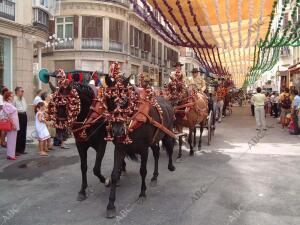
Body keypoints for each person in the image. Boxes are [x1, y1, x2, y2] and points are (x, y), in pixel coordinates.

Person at [3, 91, 19, 160]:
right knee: (11, 139)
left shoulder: (9, 104)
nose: (12, 97)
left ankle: (11, 154)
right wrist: (13, 124)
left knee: (11, 139)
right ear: (8, 97)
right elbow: (9, 115)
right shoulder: (7, 104)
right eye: (11, 96)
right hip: (12, 123)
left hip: (13, 123)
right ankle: (11, 155)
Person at [13, 87, 28, 155]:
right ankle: (16, 150)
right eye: (21, 91)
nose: (22, 92)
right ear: (17, 92)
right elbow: (12, 109)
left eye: (23, 91)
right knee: (18, 133)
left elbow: (25, 107)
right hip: (18, 116)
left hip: (24, 115)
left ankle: (22, 149)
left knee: (23, 132)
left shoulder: (23, 98)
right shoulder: (14, 99)